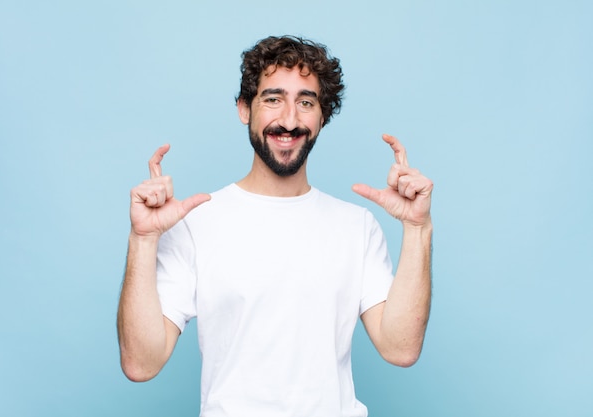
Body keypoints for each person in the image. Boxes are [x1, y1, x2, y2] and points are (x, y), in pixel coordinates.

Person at [117, 35, 433, 416]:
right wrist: (143, 238)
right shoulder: (195, 224)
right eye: (272, 99)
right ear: (244, 109)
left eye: (305, 102)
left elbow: (400, 348)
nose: (289, 120)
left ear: (322, 116)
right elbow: (141, 363)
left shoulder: (357, 227)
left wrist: (417, 229)